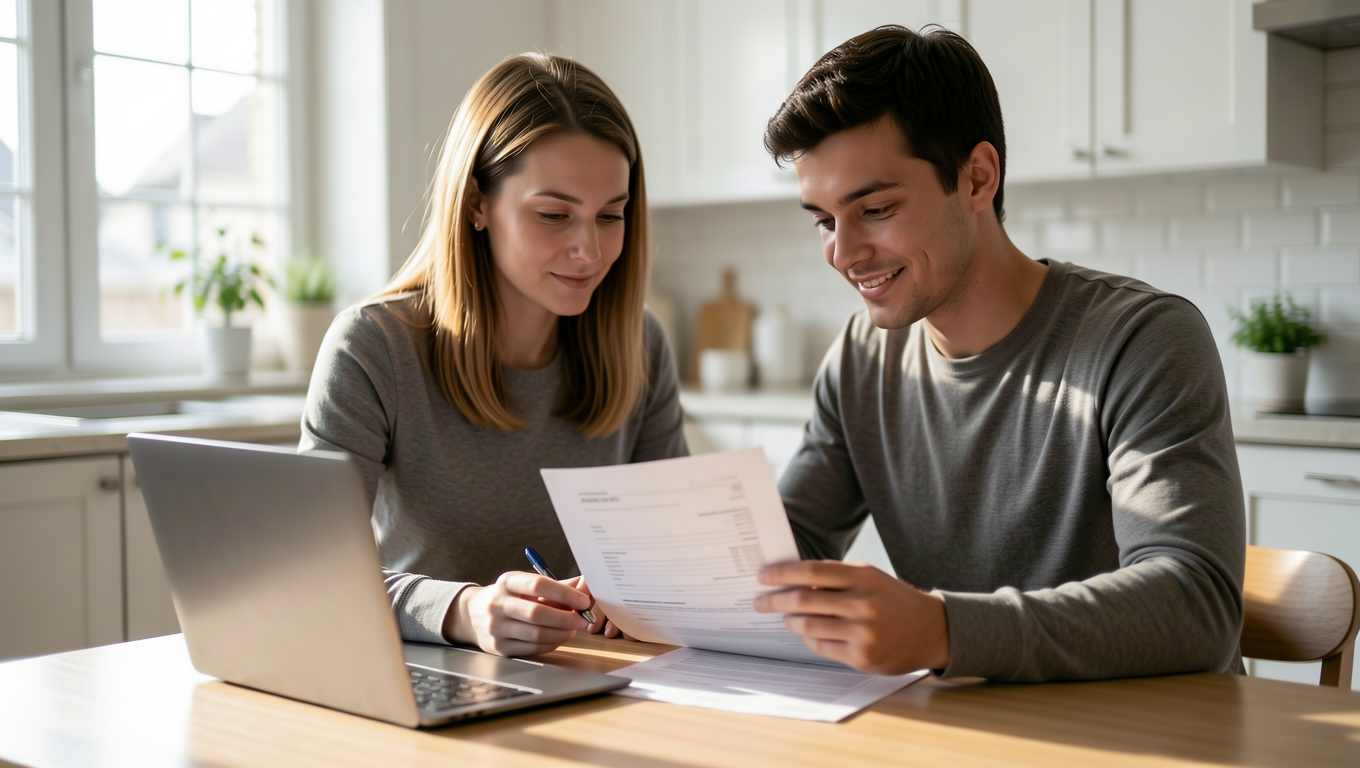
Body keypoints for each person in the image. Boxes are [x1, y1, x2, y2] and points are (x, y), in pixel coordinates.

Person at [751, 26, 1246, 682]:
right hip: (975, 733)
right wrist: (643, 585)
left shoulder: (1142, 341)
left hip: (1153, 737)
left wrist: (945, 629)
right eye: (823, 220)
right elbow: (789, 552)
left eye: (874, 208)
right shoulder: (861, 358)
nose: (842, 253)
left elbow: (1195, 606)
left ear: (978, 177)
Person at [301, 53, 687, 658]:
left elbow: (673, 552)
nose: (588, 250)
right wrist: (464, 611)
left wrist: (643, 589)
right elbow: (310, 576)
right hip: (423, 676)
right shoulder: (372, 347)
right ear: (478, 203)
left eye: (611, 216)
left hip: (596, 678)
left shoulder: (641, 345)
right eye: (554, 215)